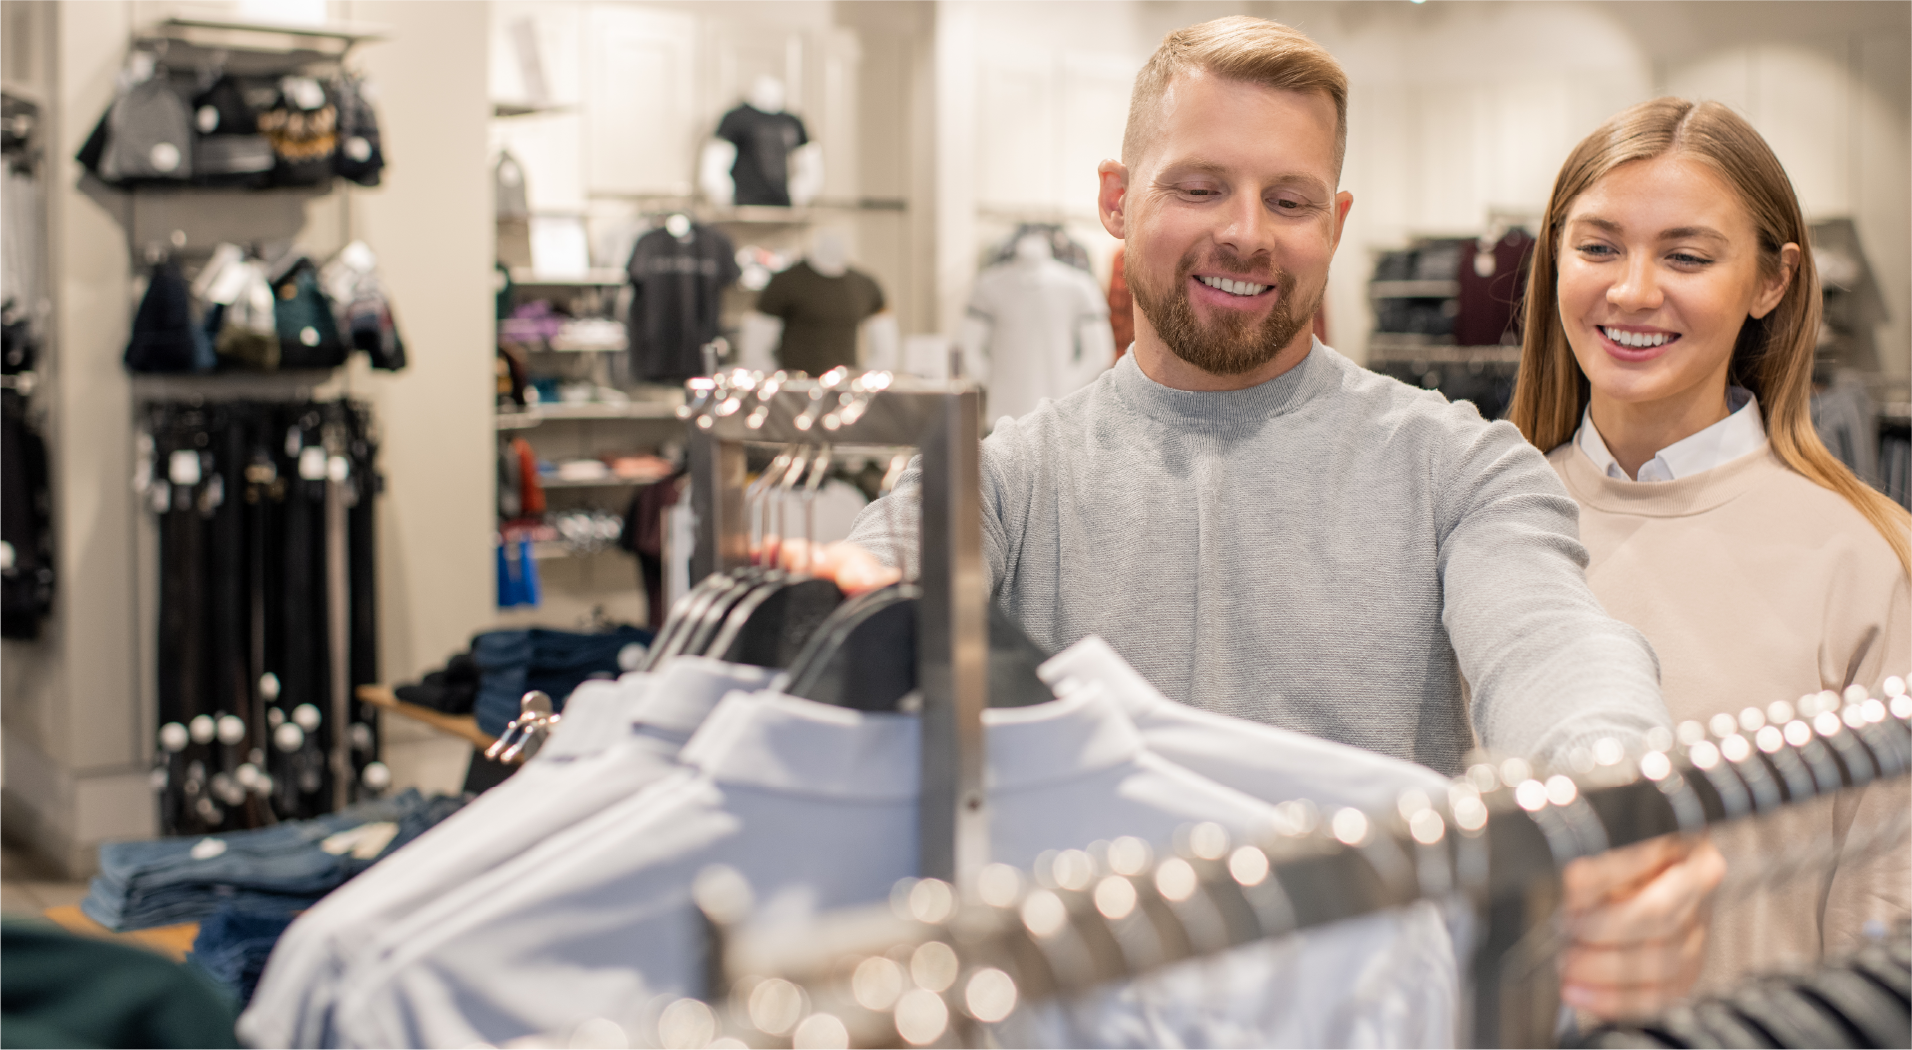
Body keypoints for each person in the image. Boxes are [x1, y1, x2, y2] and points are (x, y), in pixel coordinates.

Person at [791, 16, 1725, 1018]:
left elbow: (1553, 645)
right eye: (1199, 187)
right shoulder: (1000, 482)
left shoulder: (1454, 463)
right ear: (1116, 200)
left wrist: (1617, 805)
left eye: (1289, 199)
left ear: (1335, 219)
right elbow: (836, 629)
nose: (1244, 231)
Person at [1508, 97, 1912, 993]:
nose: (1633, 290)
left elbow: (1881, 917)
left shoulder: (1868, 559)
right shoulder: (1484, 525)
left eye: (1686, 255)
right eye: (1599, 246)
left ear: (1773, 281)